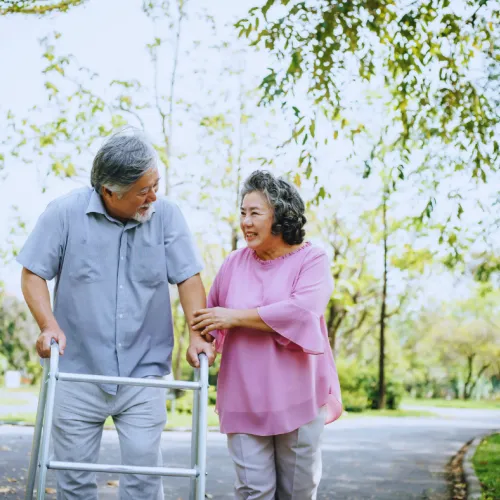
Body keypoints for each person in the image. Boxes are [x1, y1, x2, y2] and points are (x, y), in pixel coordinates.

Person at [17, 128, 215, 500]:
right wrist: (48, 326)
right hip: (77, 370)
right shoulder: (64, 213)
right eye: (144, 190)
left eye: (156, 184)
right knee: (74, 480)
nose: (153, 195)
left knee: (143, 476)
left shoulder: (167, 216)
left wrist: (197, 334)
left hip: (144, 373)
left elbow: (188, 277)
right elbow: (33, 274)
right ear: (109, 191)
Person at [192, 170, 342, 500]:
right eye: (242, 213)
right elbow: (209, 318)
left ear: (280, 215)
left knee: (297, 493)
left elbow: (302, 311)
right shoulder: (233, 264)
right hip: (243, 395)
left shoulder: (311, 259)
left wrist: (234, 318)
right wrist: (205, 345)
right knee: (253, 492)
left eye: (254, 213)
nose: (245, 222)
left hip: (299, 395)